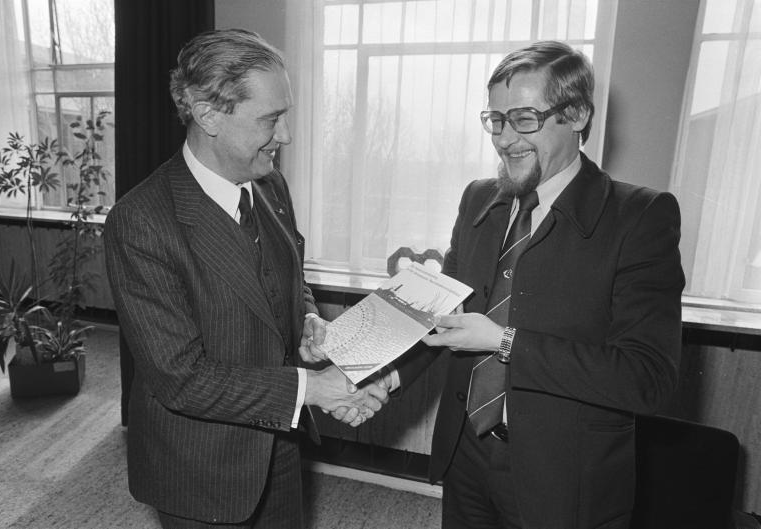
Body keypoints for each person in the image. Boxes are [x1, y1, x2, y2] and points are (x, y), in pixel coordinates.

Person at [104, 29, 390, 529]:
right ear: (207, 113)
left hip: (278, 445)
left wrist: (307, 321)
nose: (285, 135)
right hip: (200, 468)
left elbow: (288, 277)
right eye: (271, 118)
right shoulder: (141, 221)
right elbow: (181, 378)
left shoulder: (270, 184)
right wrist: (316, 390)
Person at [394, 40, 685, 528]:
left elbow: (647, 378)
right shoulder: (478, 199)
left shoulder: (641, 217)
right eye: (496, 120)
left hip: (565, 481)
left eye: (524, 119)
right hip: (467, 456)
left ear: (575, 115)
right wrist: (384, 375)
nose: (506, 139)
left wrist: (504, 341)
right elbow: (447, 313)